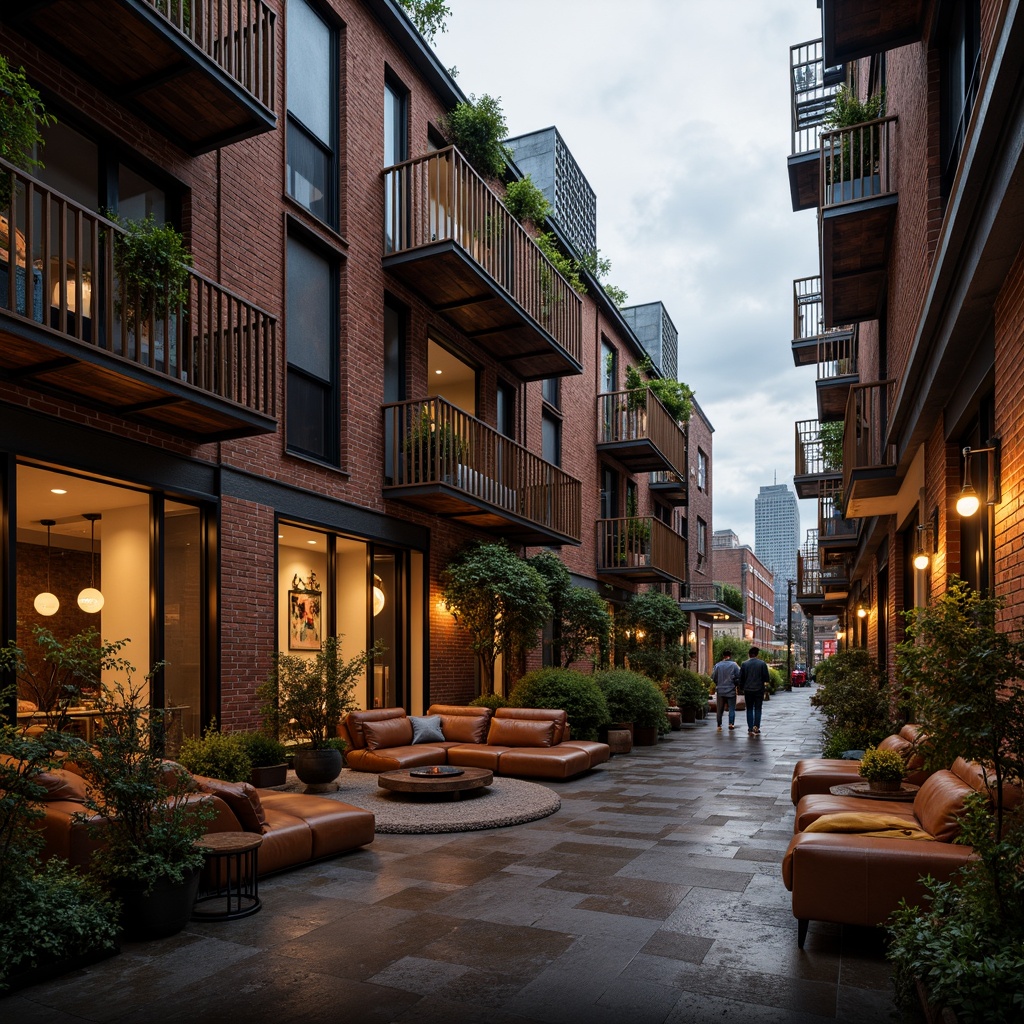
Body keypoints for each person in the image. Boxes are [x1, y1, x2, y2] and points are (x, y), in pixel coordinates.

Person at [739, 645, 771, 735]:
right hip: (759, 689)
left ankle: (750, 728)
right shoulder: (762, 664)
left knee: (749, 708)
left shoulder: (744, 664)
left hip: (748, 690)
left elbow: (741, 678)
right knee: (758, 708)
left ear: (749, 655)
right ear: (757, 654)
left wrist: (741, 688)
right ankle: (756, 726)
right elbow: (766, 678)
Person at [711, 651, 741, 730]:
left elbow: (713, 677)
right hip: (731, 689)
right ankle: (731, 723)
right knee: (731, 708)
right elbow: (739, 676)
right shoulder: (734, 665)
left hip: (720, 690)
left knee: (720, 709)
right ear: (730, 656)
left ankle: (719, 725)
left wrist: (718, 683)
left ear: (723, 656)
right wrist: (735, 684)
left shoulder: (718, 665)